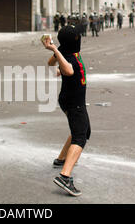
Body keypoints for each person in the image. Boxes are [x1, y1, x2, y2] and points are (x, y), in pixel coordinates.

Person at [42, 25, 91, 197]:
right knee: (80, 136)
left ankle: (61, 159)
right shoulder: (66, 54)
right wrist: (54, 49)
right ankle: (65, 176)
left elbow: (52, 65)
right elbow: (69, 70)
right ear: (75, 41)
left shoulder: (65, 52)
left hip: (72, 100)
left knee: (82, 130)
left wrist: (57, 53)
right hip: (73, 103)